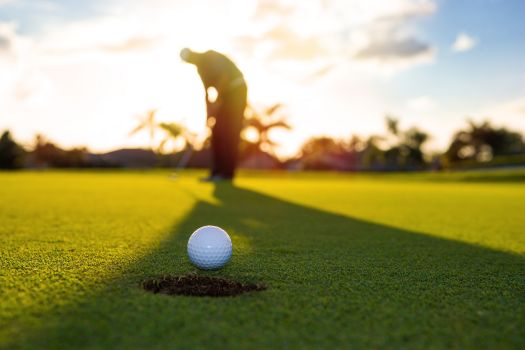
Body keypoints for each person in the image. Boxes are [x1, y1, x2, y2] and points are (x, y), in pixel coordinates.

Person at [180, 48, 247, 181]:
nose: (190, 62)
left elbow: (224, 77)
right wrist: (209, 112)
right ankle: (216, 173)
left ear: (193, 54)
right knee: (217, 133)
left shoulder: (210, 56)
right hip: (225, 96)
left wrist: (217, 101)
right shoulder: (200, 69)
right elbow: (206, 92)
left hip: (237, 90)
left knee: (228, 132)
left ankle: (226, 174)